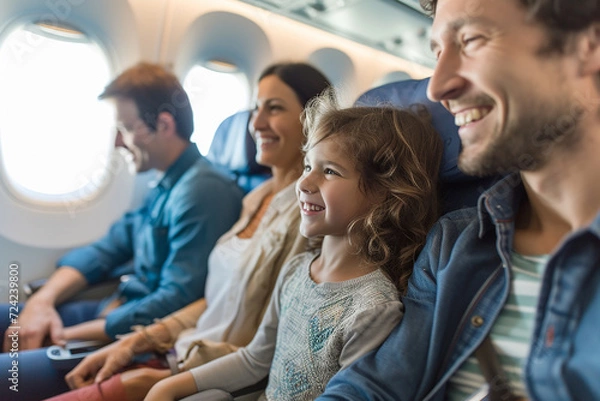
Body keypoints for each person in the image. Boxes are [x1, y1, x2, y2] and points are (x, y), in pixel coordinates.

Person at [317, 0, 600, 400]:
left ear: (588, 44)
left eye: (471, 40)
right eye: (436, 52)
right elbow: (375, 385)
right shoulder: (455, 241)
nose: (437, 87)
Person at [35, 62, 332, 401]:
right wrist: (137, 340)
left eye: (274, 108)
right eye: (255, 108)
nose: (256, 123)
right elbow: (213, 297)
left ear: (313, 121)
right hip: (173, 345)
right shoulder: (254, 199)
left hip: (196, 366)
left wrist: (166, 372)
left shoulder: (309, 217)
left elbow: (264, 341)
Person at [143, 96, 444, 401]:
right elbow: (255, 360)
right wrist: (167, 387)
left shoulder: (373, 308)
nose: (303, 182)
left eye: (330, 171)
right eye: (308, 165)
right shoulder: (297, 269)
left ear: (384, 194)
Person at [0, 62, 244, 398]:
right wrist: (41, 303)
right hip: (114, 309)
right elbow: (107, 248)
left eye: (125, 128)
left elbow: (178, 298)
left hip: (138, 336)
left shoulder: (203, 192)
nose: (117, 143)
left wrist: (69, 334)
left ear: (163, 124)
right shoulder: (163, 184)